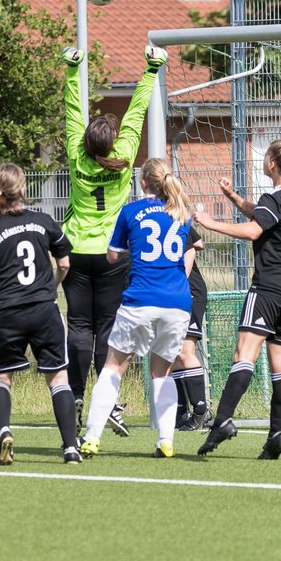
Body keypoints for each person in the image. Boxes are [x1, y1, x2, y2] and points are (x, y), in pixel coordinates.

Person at [60, 43, 168, 436]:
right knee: (108, 326)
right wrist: (152, 69)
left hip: (74, 252)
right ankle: (110, 403)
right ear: (112, 141)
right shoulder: (123, 158)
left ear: (86, 142)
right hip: (112, 254)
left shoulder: (76, 154)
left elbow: (73, 112)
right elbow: (137, 110)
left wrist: (73, 70)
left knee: (78, 325)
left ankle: (73, 395)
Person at [193, 140, 281, 460]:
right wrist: (233, 198)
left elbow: (255, 230)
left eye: (265, 157)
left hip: (268, 288)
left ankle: (222, 421)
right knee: (280, 364)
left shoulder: (272, 198)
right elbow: (266, 216)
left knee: (243, 354)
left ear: (272, 163)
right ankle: (277, 434)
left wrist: (209, 223)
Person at [78, 158, 193, 460]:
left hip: (141, 299)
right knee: (162, 373)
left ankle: (91, 437)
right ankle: (166, 440)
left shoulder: (130, 212)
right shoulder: (182, 213)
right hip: (178, 303)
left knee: (114, 366)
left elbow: (113, 256)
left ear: (143, 183)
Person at [0, 163, 81, 464]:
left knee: (0, 377)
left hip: (7, 312)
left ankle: (5, 431)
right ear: (23, 188)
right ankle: (70, 447)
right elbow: (64, 264)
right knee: (58, 378)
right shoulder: (44, 221)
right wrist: (50, 288)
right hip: (44, 310)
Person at [172, 225, 211, 431]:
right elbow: (199, 242)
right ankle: (181, 411)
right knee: (172, 353)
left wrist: (179, 283)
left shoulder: (174, 220)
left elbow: (193, 248)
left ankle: (200, 410)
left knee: (185, 350)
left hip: (189, 293)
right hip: (171, 295)